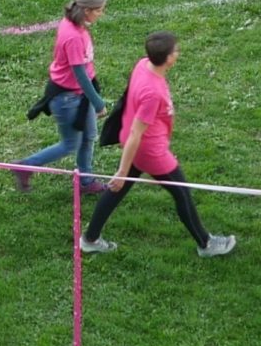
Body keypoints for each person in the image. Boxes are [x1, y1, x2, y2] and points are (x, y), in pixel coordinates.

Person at [79, 32, 235, 258]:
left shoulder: (143, 65)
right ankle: (206, 243)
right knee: (182, 193)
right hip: (150, 152)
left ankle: (89, 239)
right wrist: (122, 171)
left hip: (140, 147)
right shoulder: (153, 93)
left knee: (117, 190)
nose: (177, 53)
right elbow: (136, 133)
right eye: (175, 51)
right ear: (169, 59)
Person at [14, 0, 109, 189]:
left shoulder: (75, 23)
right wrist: (98, 102)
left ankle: (86, 180)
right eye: (99, 10)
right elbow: (80, 75)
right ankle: (25, 166)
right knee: (70, 144)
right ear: (86, 10)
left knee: (89, 137)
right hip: (68, 98)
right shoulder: (73, 36)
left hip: (80, 95)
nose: (102, 14)